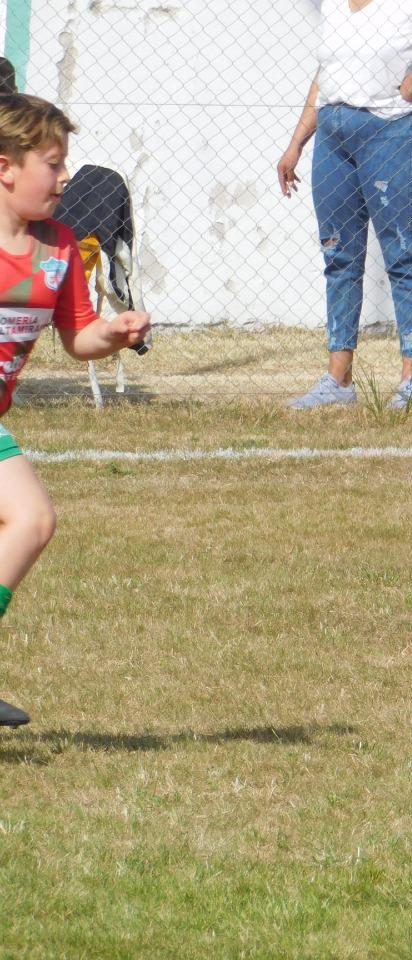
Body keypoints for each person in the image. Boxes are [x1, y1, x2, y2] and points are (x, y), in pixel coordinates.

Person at [0, 94, 151, 727]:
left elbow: (77, 338)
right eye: (53, 163)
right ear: (5, 167)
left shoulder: (60, 246)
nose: (66, 178)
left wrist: (113, 333)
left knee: (32, 521)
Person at [278, 2, 412, 410]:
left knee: (401, 253)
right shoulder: (334, 4)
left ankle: (410, 384)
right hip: (334, 138)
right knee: (338, 255)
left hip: (393, 133)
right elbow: (327, 75)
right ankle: (338, 381)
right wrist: (296, 143)